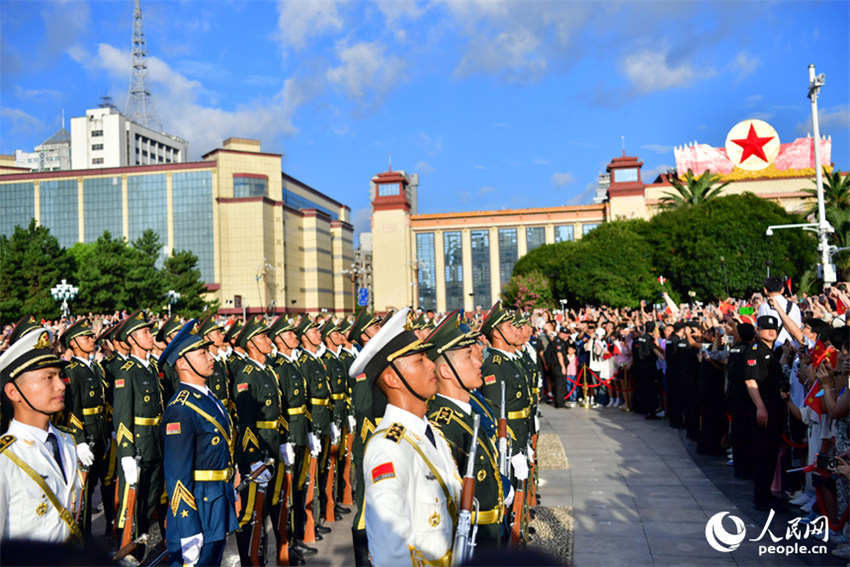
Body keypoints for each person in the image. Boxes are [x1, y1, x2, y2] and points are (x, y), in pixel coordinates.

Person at [351, 308, 461, 567]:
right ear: (392, 378)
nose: (431, 364)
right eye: (419, 360)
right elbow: (390, 553)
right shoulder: (389, 448)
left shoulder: (430, 431)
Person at [426, 310, 508, 548]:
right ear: (446, 371)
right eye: (467, 356)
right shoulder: (443, 427)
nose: (478, 361)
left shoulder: (467, 413)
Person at [159, 322, 239, 567]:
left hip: (216, 501)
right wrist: (188, 530)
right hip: (197, 509)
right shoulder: (181, 409)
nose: (210, 357)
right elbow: (177, 477)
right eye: (202, 353)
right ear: (182, 363)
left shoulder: (208, 398)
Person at [0, 327, 82, 543]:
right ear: (13, 392)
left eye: (60, 376)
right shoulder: (5, 459)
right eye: (48, 377)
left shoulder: (66, 441)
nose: (61, 385)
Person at [232, 314, 298, 566]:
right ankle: (250, 562)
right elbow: (246, 422)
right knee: (250, 513)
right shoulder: (247, 375)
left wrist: (284, 441)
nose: (268, 341)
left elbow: (278, 411)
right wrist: (253, 460)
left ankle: (266, 558)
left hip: (273, 446)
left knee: (271, 506)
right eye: (262, 337)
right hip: (258, 452)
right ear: (250, 343)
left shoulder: (267, 370)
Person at [113, 310, 166, 555]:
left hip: (156, 443)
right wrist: (126, 453)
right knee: (131, 506)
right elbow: (122, 415)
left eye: (149, 331)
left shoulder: (152, 367)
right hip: (139, 445)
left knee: (149, 502)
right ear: (132, 339)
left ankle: (142, 547)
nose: (150, 336)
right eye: (144, 332)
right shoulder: (127, 370)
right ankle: (128, 552)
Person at [59, 319, 115, 535]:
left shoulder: (96, 368)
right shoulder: (71, 371)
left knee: (101, 483)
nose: (92, 340)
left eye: (92, 336)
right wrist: (79, 441)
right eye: (86, 337)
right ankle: (83, 538)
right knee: (83, 492)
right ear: (73, 343)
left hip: (100, 435)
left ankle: (106, 531)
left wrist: (108, 431)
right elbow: (71, 409)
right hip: (85, 437)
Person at [745, 315, 786, 511]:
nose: (770, 331)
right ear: (757, 330)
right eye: (766, 328)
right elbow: (751, 381)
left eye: (773, 328)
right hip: (765, 407)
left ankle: (766, 494)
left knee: (770, 453)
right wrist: (761, 406)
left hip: (774, 406)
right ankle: (762, 498)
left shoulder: (770, 350)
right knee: (763, 453)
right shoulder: (755, 350)